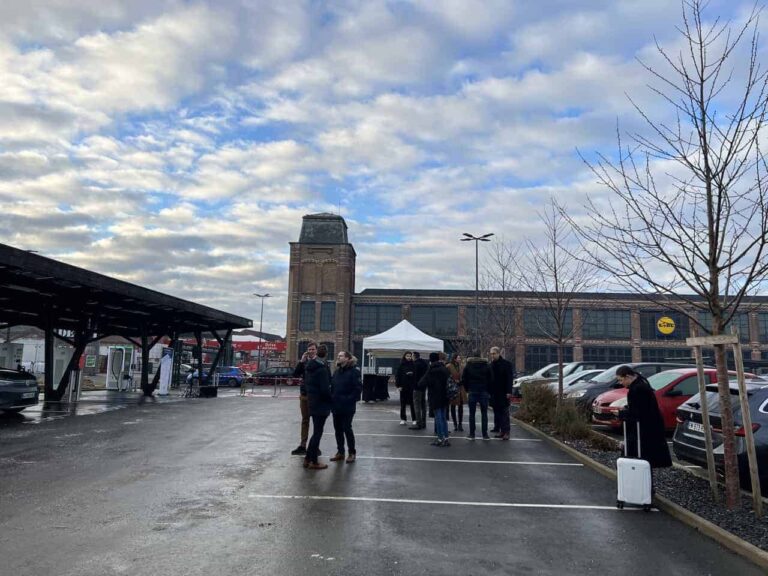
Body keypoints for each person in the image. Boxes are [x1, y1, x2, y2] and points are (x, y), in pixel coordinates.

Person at [616, 365, 672, 490]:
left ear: (628, 376)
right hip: (648, 428)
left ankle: (641, 488)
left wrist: (621, 414)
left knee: (639, 458)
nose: (621, 383)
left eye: (621, 380)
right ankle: (643, 488)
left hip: (643, 430)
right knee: (643, 461)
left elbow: (638, 413)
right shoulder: (641, 385)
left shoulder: (637, 389)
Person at [330, 351, 363, 463]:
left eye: (341, 356)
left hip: (348, 407)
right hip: (336, 406)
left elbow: (357, 389)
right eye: (338, 356)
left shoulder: (354, 372)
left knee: (347, 429)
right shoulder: (337, 372)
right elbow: (333, 387)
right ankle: (340, 452)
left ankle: (352, 453)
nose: (338, 357)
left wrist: (348, 399)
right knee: (337, 430)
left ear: (348, 358)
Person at [304, 344, 333, 470]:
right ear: (326, 353)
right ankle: (314, 461)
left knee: (316, 432)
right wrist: (331, 400)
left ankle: (307, 459)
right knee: (317, 433)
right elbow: (325, 389)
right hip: (320, 404)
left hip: (312, 402)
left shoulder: (310, 367)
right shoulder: (321, 369)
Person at [290, 342, 317, 456]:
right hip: (304, 395)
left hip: (315, 396)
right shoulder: (304, 362)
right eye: (309, 349)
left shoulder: (320, 362)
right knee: (305, 420)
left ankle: (315, 446)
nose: (310, 351)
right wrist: (301, 361)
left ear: (316, 350)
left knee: (316, 422)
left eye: (312, 349)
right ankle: (303, 445)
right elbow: (295, 374)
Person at [461, 351, 494, 440]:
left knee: (472, 414)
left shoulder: (468, 366)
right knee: (484, 414)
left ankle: (472, 434)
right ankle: (485, 434)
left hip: (472, 390)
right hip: (484, 391)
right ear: (480, 355)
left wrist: (468, 389)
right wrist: (488, 390)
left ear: (473, 356)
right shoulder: (487, 365)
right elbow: (491, 379)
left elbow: (464, 379)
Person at [423, 352, 451, 446]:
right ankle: (446, 438)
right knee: (443, 417)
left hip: (435, 396)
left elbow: (423, 382)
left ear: (430, 360)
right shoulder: (444, 368)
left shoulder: (431, 370)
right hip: (445, 395)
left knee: (438, 418)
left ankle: (440, 439)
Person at [489, 347, 514, 440]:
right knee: (497, 413)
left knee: (504, 413)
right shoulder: (491, 365)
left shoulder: (506, 364)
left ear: (499, 353)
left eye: (494, 353)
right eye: (491, 354)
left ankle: (506, 432)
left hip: (503, 392)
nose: (492, 355)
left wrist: (509, 392)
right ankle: (501, 431)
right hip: (494, 393)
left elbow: (509, 379)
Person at [395, 352, 417, 426]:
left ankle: (414, 419)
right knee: (403, 404)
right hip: (403, 387)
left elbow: (415, 376)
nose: (409, 357)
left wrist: (412, 374)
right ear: (404, 356)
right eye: (407, 356)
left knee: (412, 404)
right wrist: (398, 386)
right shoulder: (401, 365)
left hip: (411, 387)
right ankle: (403, 419)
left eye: (410, 356)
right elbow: (397, 376)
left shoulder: (413, 365)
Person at [410, 351, 429, 430]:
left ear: (414, 356)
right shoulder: (425, 364)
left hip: (417, 387)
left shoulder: (415, 364)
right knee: (423, 405)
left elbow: (414, 376)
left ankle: (418, 423)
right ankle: (424, 422)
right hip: (423, 387)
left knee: (417, 405)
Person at [447, 354, 466, 431]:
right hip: (452, 389)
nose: (459, 359)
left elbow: (465, 376)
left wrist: (462, 381)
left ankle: (460, 424)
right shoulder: (449, 366)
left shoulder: (462, 367)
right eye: (458, 358)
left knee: (460, 407)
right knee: (453, 406)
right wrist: (453, 381)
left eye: (460, 358)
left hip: (460, 388)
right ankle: (455, 424)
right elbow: (447, 377)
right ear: (454, 359)